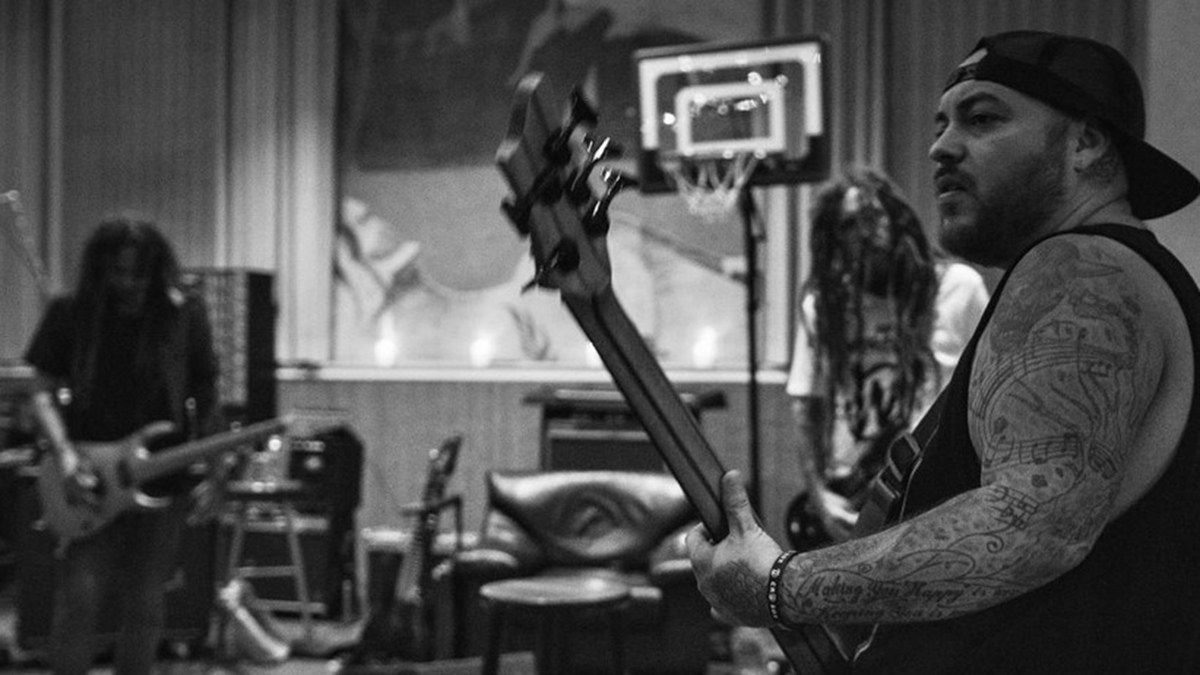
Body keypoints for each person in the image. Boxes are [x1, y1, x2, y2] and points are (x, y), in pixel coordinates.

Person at [688, 30, 1200, 674]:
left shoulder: (1081, 269)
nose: (941, 147)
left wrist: (778, 585)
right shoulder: (1101, 272)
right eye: (940, 124)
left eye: (982, 119)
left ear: (1085, 142)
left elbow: (1032, 526)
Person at [24, 218, 223, 675]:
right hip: (90, 475)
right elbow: (40, 390)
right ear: (101, 270)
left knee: (147, 601)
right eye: (119, 273)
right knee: (79, 598)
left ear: (158, 270)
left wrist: (217, 470)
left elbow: (207, 394)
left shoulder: (183, 316)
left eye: (140, 274)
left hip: (162, 477)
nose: (130, 284)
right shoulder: (71, 313)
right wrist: (65, 454)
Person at [785, 167, 988, 546]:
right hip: (853, 492)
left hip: (932, 492)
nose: (866, 231)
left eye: (874, 216)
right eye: (850, 224)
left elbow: (990, 395)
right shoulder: (825, 306)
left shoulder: (958, 288)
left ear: (897, 218)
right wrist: (818, 495)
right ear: (834, 237)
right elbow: (806, 406)